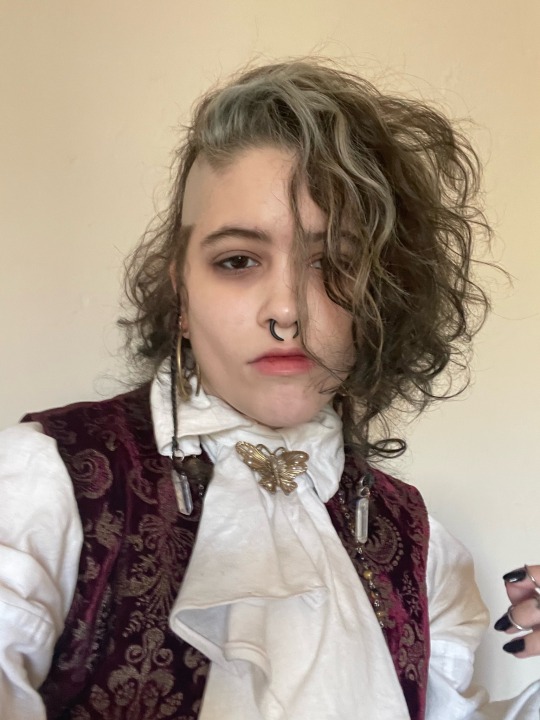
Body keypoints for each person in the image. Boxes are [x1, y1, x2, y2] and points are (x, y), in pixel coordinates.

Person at [0, 60, 538, 720]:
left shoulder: (420, 542)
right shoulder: (43, 483)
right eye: (238, 260)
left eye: (333, 264)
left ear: (383, 298)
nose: (286, 311)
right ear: (180, 293)